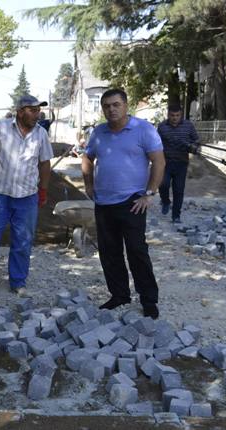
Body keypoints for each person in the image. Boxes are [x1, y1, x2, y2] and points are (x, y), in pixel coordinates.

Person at [82, 89, 165, 319]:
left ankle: (148, 299)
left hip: (132, 202)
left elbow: (158, 161)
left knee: (137, 251)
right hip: (104, 202)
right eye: (107, 105)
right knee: (109, 252)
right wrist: (88, 184)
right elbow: (87, 157)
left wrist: (149, 193)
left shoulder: (143, 130)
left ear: (126, 105)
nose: (111, 109)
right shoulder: (98, 133)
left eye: (116, 104)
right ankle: (119, 295)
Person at [0, 94, 53, 298]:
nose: (37, 114)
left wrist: (43, 190)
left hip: (27, 196)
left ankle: (18, 282)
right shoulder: (1, 127)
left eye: (38, 110)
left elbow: (45, 163)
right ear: (20, 111)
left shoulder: (41, 134)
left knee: (23, 240)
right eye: (32, 110)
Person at [156, 104, 200, 223]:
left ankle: (176, 216)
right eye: (172, 115)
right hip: (165, 163)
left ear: (181, 115)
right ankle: (165, 201)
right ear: (168, 114)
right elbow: (155, 144)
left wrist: (193, 147)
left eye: (177, 115)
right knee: (163, 185)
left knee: (178, 190)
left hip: (181, 163)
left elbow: (196, 140)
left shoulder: (188, 126)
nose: (175, 118)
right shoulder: (161, 127)